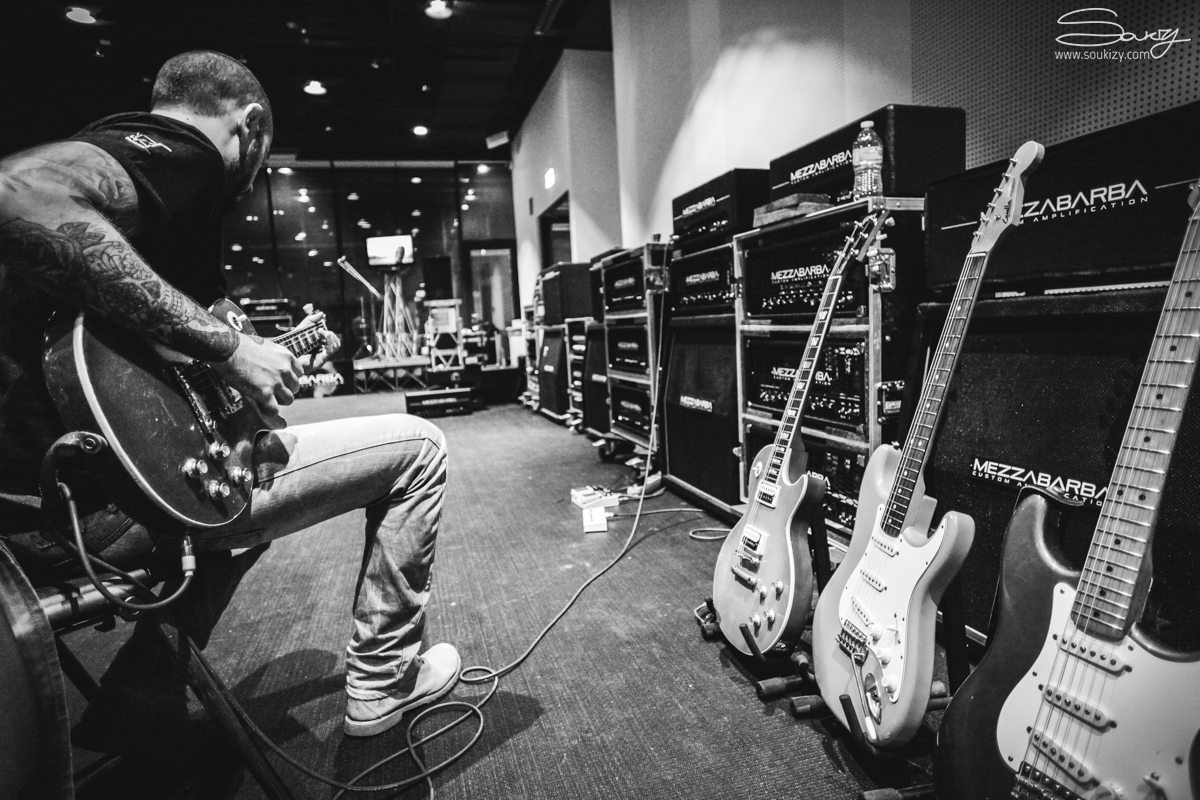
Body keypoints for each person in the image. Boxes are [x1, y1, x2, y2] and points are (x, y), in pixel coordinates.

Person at [0, 50, 459, 750]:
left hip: (27, 519)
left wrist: (248, 375)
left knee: (250, 465)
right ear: (251, 126)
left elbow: (154, 364)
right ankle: (385, 680)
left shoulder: (130, 171)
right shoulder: (186, 155)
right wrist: (232, 350)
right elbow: (15, 192)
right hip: (90, 514)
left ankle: (141, 696)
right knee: (421, 448)